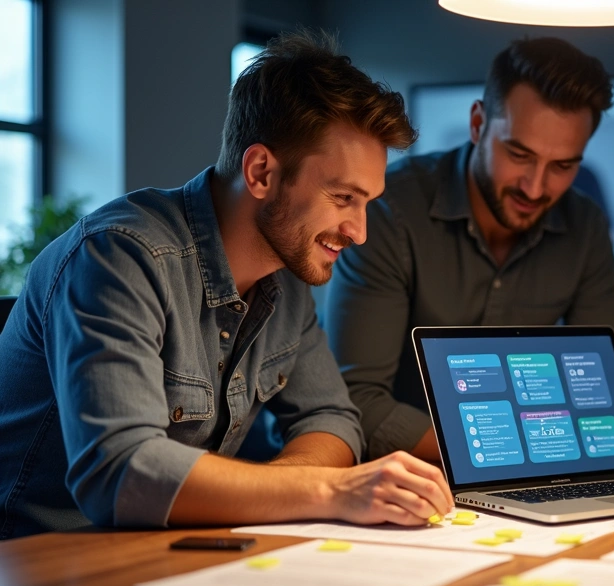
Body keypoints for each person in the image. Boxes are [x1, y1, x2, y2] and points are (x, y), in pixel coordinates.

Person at [0, 30, 453, 539]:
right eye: (343, 197)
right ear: (260, 171)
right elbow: (120, 471)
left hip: (176, 550)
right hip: (40, 564)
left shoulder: (284, 276)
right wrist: (329, 491)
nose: (359, 232)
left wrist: (275, 487)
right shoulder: (120, 256)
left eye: (367, 202)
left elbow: (332, 419)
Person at [326, 37, 614, 462]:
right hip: (408, 481)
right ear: (479, 124)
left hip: (533, 476)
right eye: (519, 154)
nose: (536, 187)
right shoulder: (389, 211)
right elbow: (357, 401)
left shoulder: (584, 226)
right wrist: (512, 457)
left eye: (562, 166)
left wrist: (528, 461)